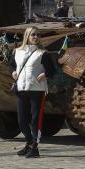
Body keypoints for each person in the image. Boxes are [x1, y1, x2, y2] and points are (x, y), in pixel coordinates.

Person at [9, 26, 58, 158]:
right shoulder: (17, 51)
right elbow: (12, 65)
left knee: (35, 119)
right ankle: (29, 142)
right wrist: (13, 71)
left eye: (38, 35)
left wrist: (45, 74)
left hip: (37, 90)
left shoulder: (43, 53)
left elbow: (52, 70)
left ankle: (35, 148)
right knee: (21, 120)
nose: (36, 37)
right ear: (27, 36)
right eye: (33, 35)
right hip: (21, 89)